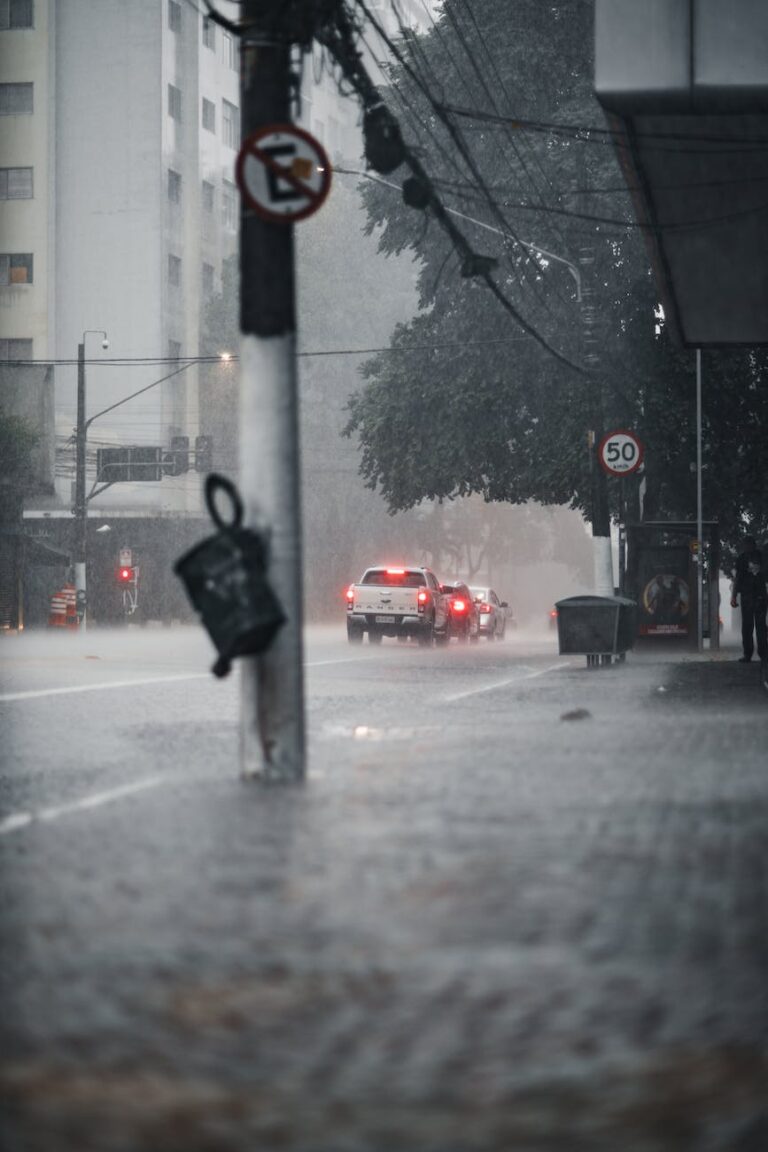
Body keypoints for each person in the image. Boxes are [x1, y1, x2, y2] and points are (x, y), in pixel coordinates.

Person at [731, 542, 767, 663]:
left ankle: (749, 654)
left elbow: (738, 578)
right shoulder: (761, 557)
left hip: (749, 597)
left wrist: (734, 595)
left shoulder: (742, 558)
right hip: (759, 597)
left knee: (748, 627)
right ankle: (762, 654)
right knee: (759, 627)